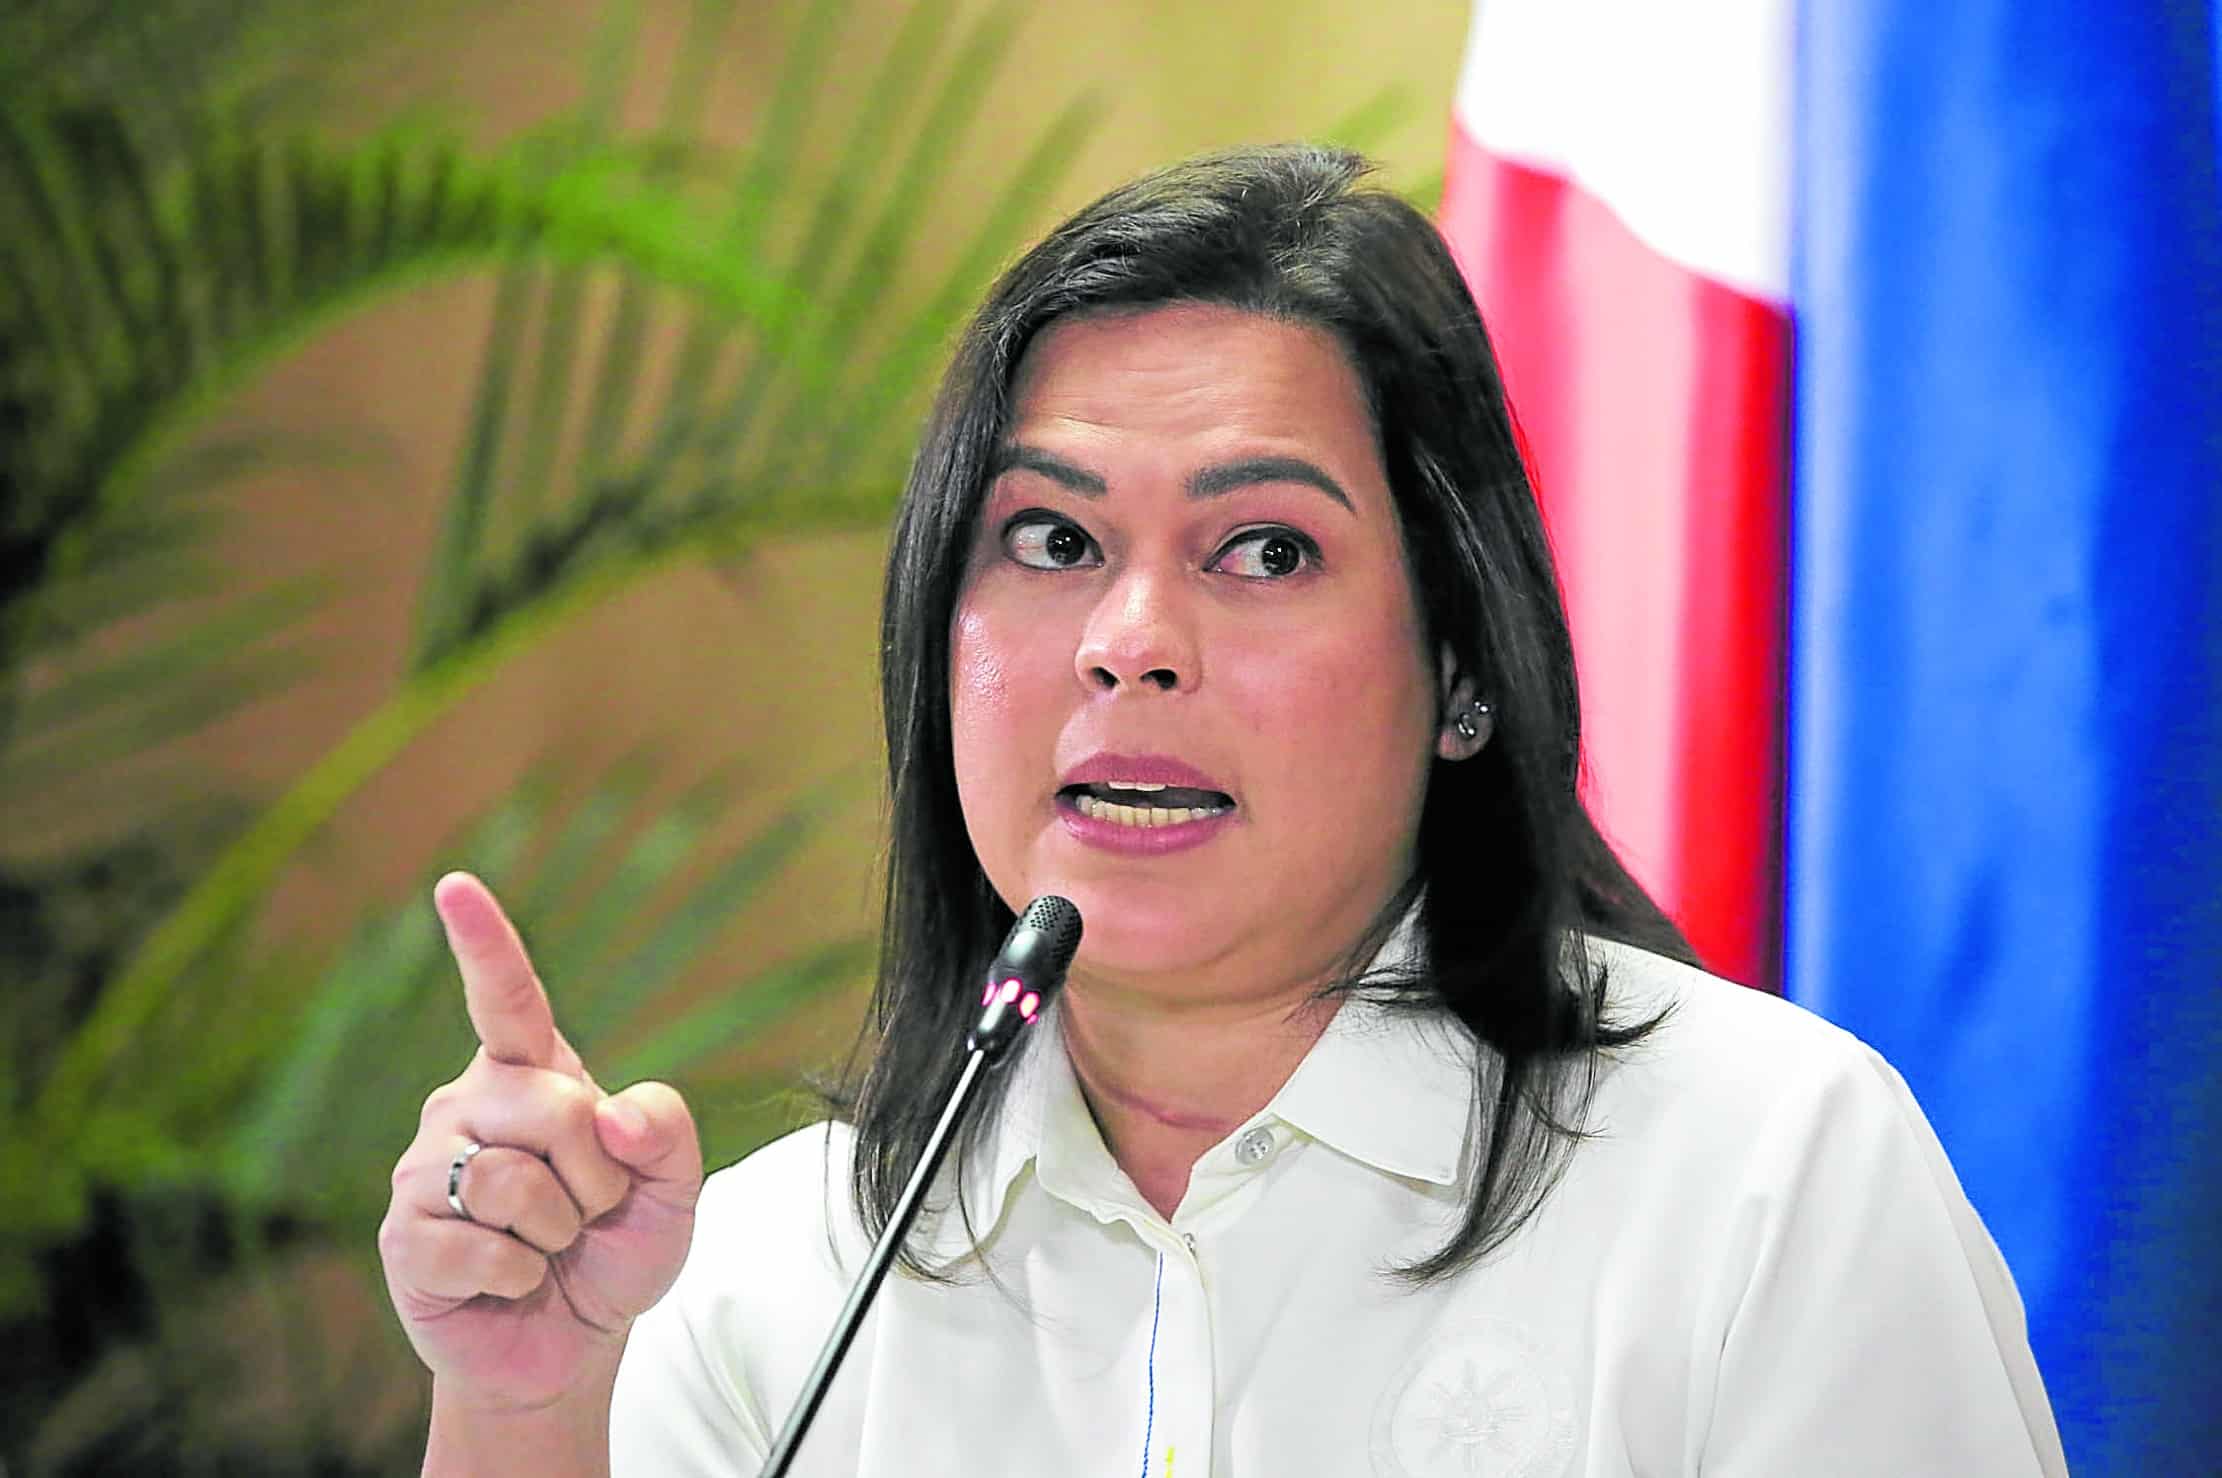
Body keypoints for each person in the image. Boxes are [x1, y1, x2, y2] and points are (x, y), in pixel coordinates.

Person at [378, 146, 2067, 1477]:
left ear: (1462, 665)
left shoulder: (1764, 1180)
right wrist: (529, 1409)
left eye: (1264, 550)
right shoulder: (751, 1280)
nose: (1131, 644)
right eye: (1049, 540)